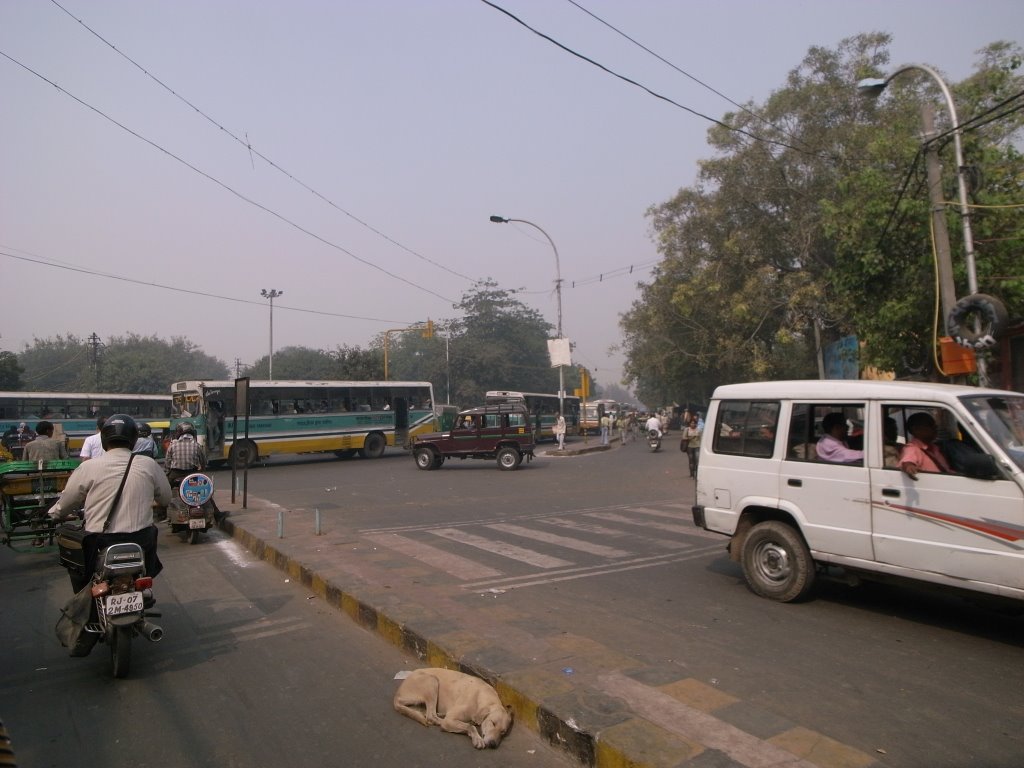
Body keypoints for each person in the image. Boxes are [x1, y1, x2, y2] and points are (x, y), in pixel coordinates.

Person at [47, 413, 173, 594]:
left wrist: (55, 514)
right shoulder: (149, 464)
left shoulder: (88, 467)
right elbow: (166, 499)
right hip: (141, 540)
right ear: (133, 439)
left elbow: (67, 502)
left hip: (99, 541)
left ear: (105, 438)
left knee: (79, 571)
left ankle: (85, 604)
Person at [899, 412, 952, 479]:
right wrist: (909, 467)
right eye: (930, 425)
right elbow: (907, 462)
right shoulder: (912, 449)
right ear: (916, 429)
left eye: (935, 425)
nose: (935, 428)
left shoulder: (934, 447)